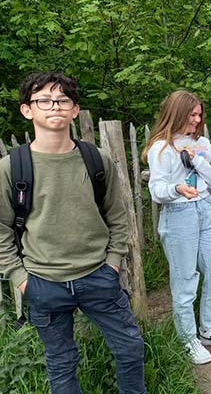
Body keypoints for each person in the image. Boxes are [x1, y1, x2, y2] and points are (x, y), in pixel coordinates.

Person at [0, 72, 146, 393]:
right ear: (27, 110)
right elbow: (2, 230)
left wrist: (113, 264)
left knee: (131, 350)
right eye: (44, 100)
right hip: (43, 283)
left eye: (63, 100)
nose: (55, 106)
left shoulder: (96, 159)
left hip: (98, 276)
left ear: (75, 109)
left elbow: (118, 217)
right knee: (61, 363)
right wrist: (20, 278)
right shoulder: (12, 167)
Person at [144, 90, 211, 364]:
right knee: (185, 280)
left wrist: (196, 158)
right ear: (178, 113)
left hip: (206, 210)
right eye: (192, 114)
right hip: (178, 214)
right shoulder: (161, 148)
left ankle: (210, 328)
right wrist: (177, 188)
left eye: (199, 114)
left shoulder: (204, 144)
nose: (197, 120)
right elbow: (156, 189)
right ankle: (188, 339)